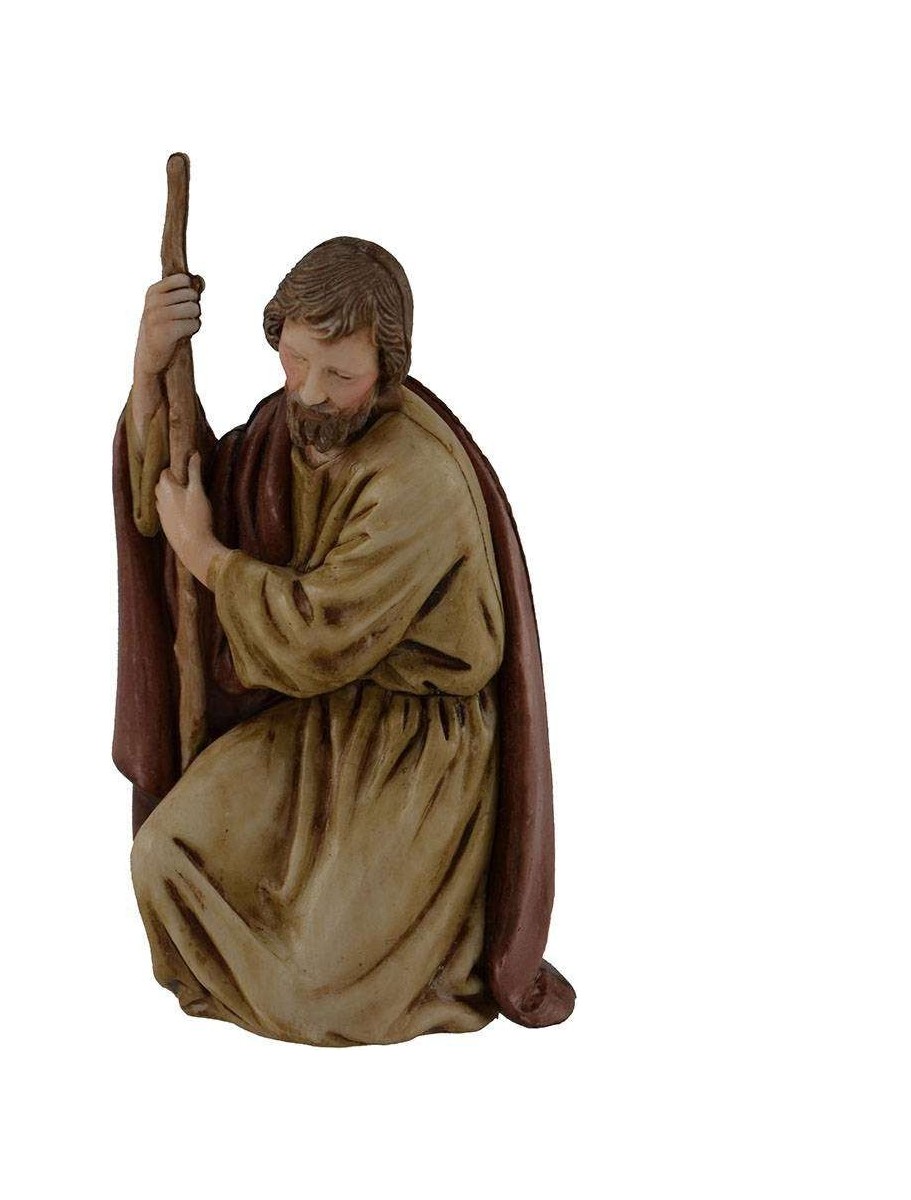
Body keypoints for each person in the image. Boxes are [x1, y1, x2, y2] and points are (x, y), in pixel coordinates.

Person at [113, 237, 573, 1045]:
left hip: (412, 753)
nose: (311, 392)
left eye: (341, 374)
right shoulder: (287, 427)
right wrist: (151, 369)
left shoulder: (416, 478)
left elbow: (313, 632)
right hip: (313, 719)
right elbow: (180, 495)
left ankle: (415, 948)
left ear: (386, 371)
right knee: (165, 855)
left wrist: (209, 556)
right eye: (295, 359)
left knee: (312, 988)